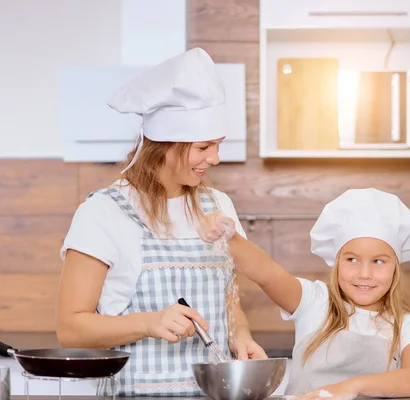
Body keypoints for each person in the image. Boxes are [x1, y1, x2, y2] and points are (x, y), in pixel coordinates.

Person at [55, 47, 266, 397]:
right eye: (204, 147)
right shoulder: (104, 213)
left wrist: (240, 336)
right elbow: (71, 329)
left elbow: (228, 301)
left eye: (218, 145)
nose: (214, 158)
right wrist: (149, 322)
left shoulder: (218, 205)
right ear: (164, 146)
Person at [201, 188, 410, 399]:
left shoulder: (406, 324)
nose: (365, 273)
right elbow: (267, 273)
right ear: (337, 262)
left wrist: (349, 387)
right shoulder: (314, 301)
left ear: (395, 266)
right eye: (351, 259)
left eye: (378, 261)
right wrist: (231, 238)